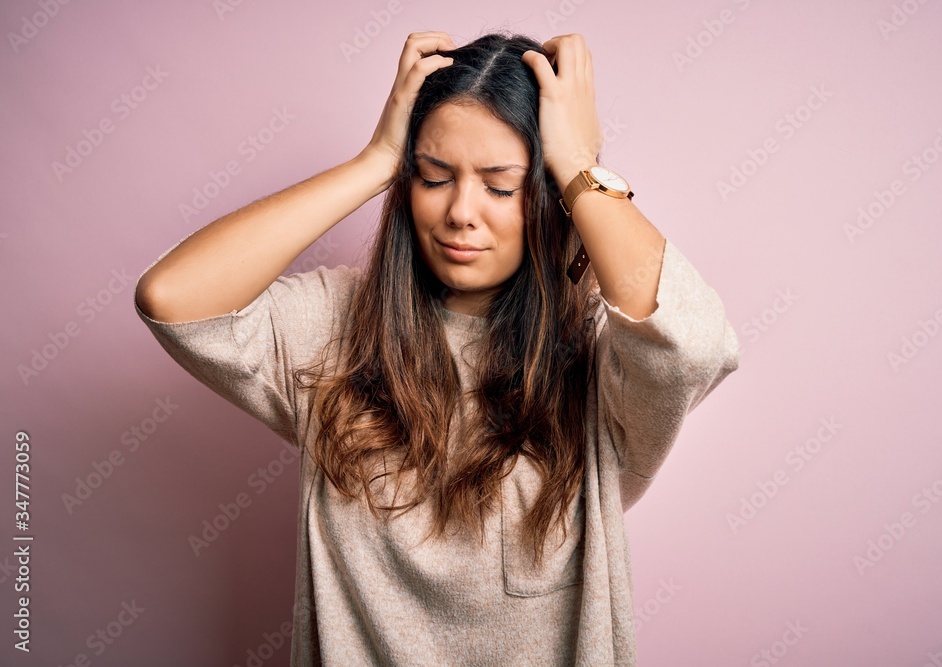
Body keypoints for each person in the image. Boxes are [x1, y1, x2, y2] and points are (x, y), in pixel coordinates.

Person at [135, 30, 740, 666]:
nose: (460, 212)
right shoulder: (334, 327)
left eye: (501, 187)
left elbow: (691, 345)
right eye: (433, 176)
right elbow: (173, 297)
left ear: (548, 197)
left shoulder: (602, 351)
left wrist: (580, 165)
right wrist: (374, 160)